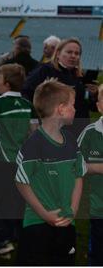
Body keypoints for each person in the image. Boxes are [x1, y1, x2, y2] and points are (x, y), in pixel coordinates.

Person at [15, 79, 85, 265]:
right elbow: (22, 182)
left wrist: (73, 210)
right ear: (61, 109)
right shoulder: (33, 144)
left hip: (67, 224)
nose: (75, 109)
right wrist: (45, 214)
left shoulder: (71, 141)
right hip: (36, 225)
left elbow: (78, 175)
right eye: (72, 105)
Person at [0, 64, 38, 259]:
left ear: (6, 83)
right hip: (19, 163)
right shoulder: (28, 105)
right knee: (5, 203)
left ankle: (4, 239)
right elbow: (34, 134)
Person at [22, 38, 98, 137]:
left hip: (78, 130)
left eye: (77, 53)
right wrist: (34, 118)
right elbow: (25, 93)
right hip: (53, 130)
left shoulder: (79, 76)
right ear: (58, 54)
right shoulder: (45, 70)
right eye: (69, 52)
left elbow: (85, 105)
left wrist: (94, 96)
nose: (73, 56)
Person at [78, 84, 103, 266]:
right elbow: (74, 164)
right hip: (98, 206)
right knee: (98, 248)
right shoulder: (90, 132)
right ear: (99, 106)